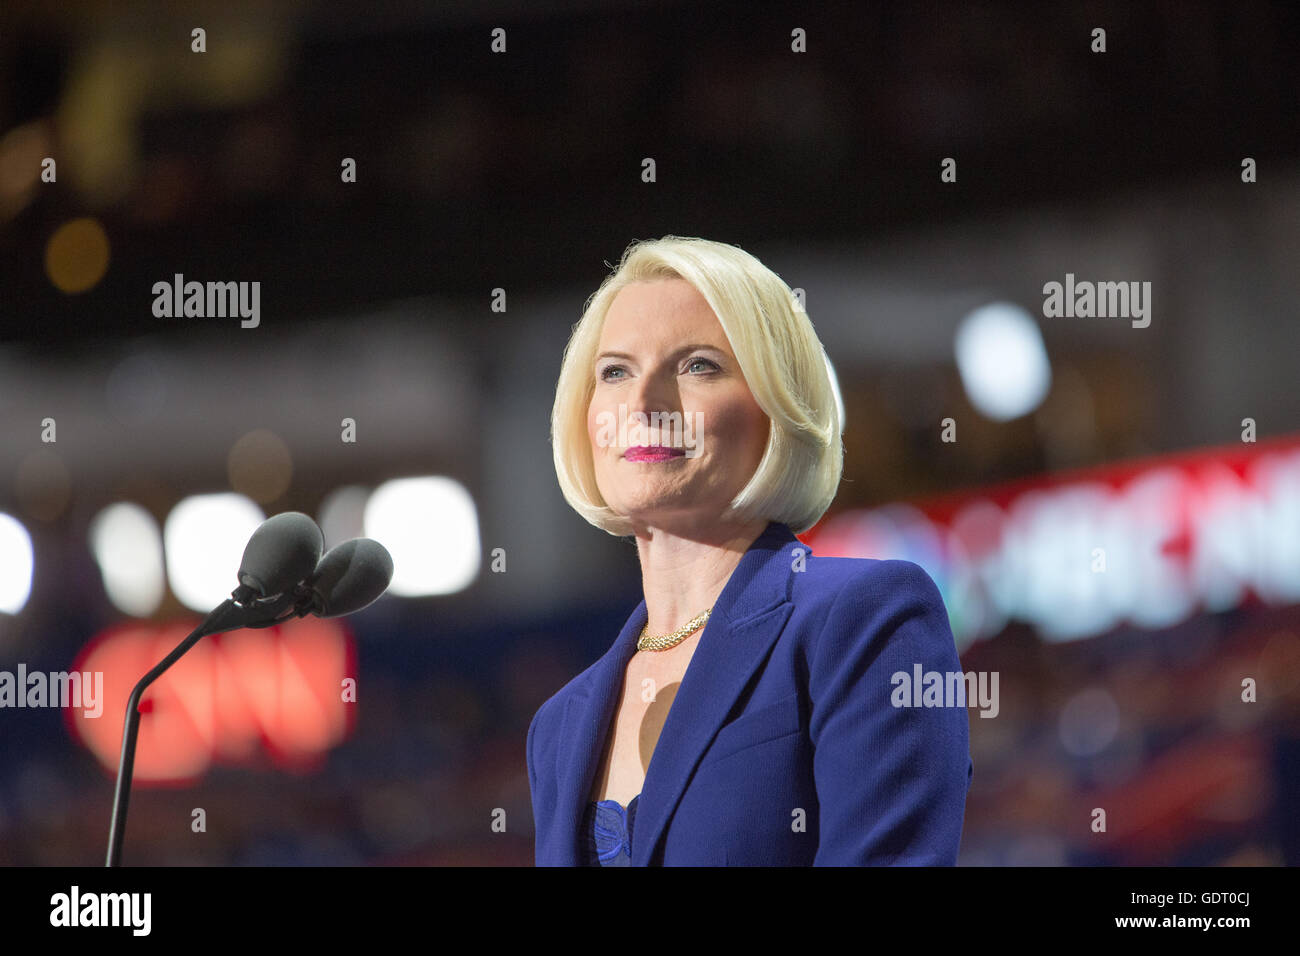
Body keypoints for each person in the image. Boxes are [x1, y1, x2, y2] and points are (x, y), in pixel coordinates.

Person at [528, 235, 972, 865]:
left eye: (697, 365)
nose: (644, 403)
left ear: (778, 405)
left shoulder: (869, 619)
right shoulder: (558, 726)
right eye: (616, 371)